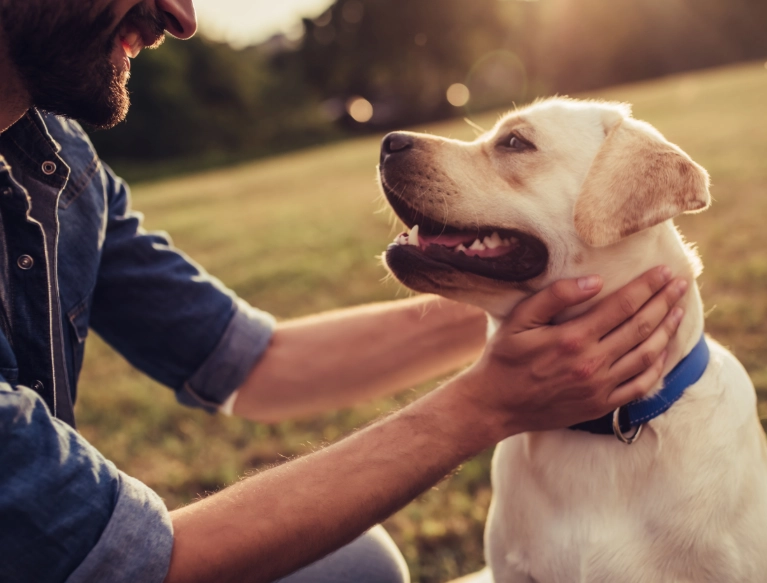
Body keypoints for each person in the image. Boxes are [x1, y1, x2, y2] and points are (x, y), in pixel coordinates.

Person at [0, 1, 688, 582]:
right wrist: (484, 404)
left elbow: (256, 361)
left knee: (356, 565)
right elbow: (129, 561)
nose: (180, 17)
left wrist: (559, 294)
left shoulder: (59, 163)